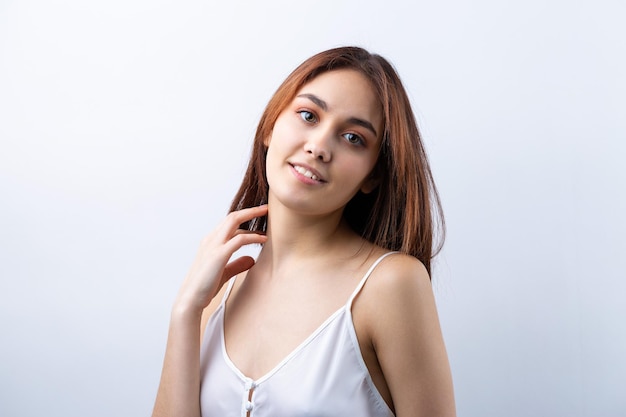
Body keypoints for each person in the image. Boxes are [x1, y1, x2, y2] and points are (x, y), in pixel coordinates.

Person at [152, 46, 456, 417]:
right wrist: (185, 312)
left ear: (372, 176)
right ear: (270, 127)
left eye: (353, 138)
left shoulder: (390, 285)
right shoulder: (217, 294)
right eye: (308, 115)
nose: (319, 147)